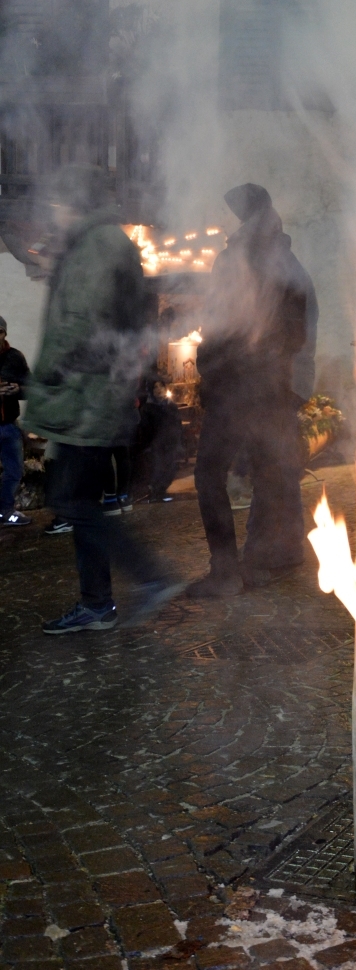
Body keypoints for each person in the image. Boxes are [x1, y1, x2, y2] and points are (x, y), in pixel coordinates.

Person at [25, 164, 182, 633]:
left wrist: (45, 375)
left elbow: (78, 319)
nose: (55, 210)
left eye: (60, 201)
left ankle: (148, 579)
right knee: (80, 502)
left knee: (74, 500)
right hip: (93, 393)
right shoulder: (104, 242)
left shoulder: (98, 244)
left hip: (85, 395)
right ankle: (98, 602)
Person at [187, 183, 317, 598]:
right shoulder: (286, 262)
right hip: (264, 388)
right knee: (272, 472)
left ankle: (229, 571)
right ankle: (269, 557)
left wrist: (212, 374)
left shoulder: (241, 260)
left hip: (244, 388)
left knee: (212, 474)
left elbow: (222, 327)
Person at [0, 317, 31, 526]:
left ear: (4, 333)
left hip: (9, 425)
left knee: (14, 470)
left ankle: (5, 510)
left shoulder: (15, 357)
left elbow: (31, 387)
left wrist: (19, 390)